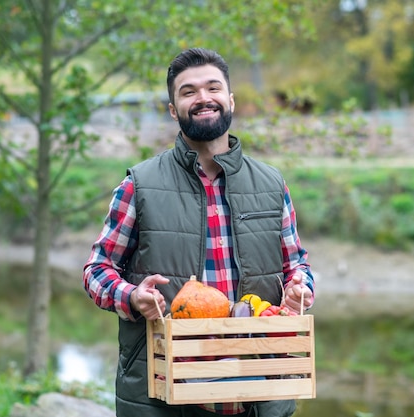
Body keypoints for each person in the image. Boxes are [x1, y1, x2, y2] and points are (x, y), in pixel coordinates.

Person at [83, 47, 315, 417]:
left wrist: (299, 289)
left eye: (213, 88)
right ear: (174, 109)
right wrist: (131, 297)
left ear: (230, 99)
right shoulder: (139, 185)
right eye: (188, 91)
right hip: (164, 393)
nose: (203, 98)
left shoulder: (272, 184)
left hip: (257, 389)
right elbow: (97, 271)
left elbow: (296, 266)